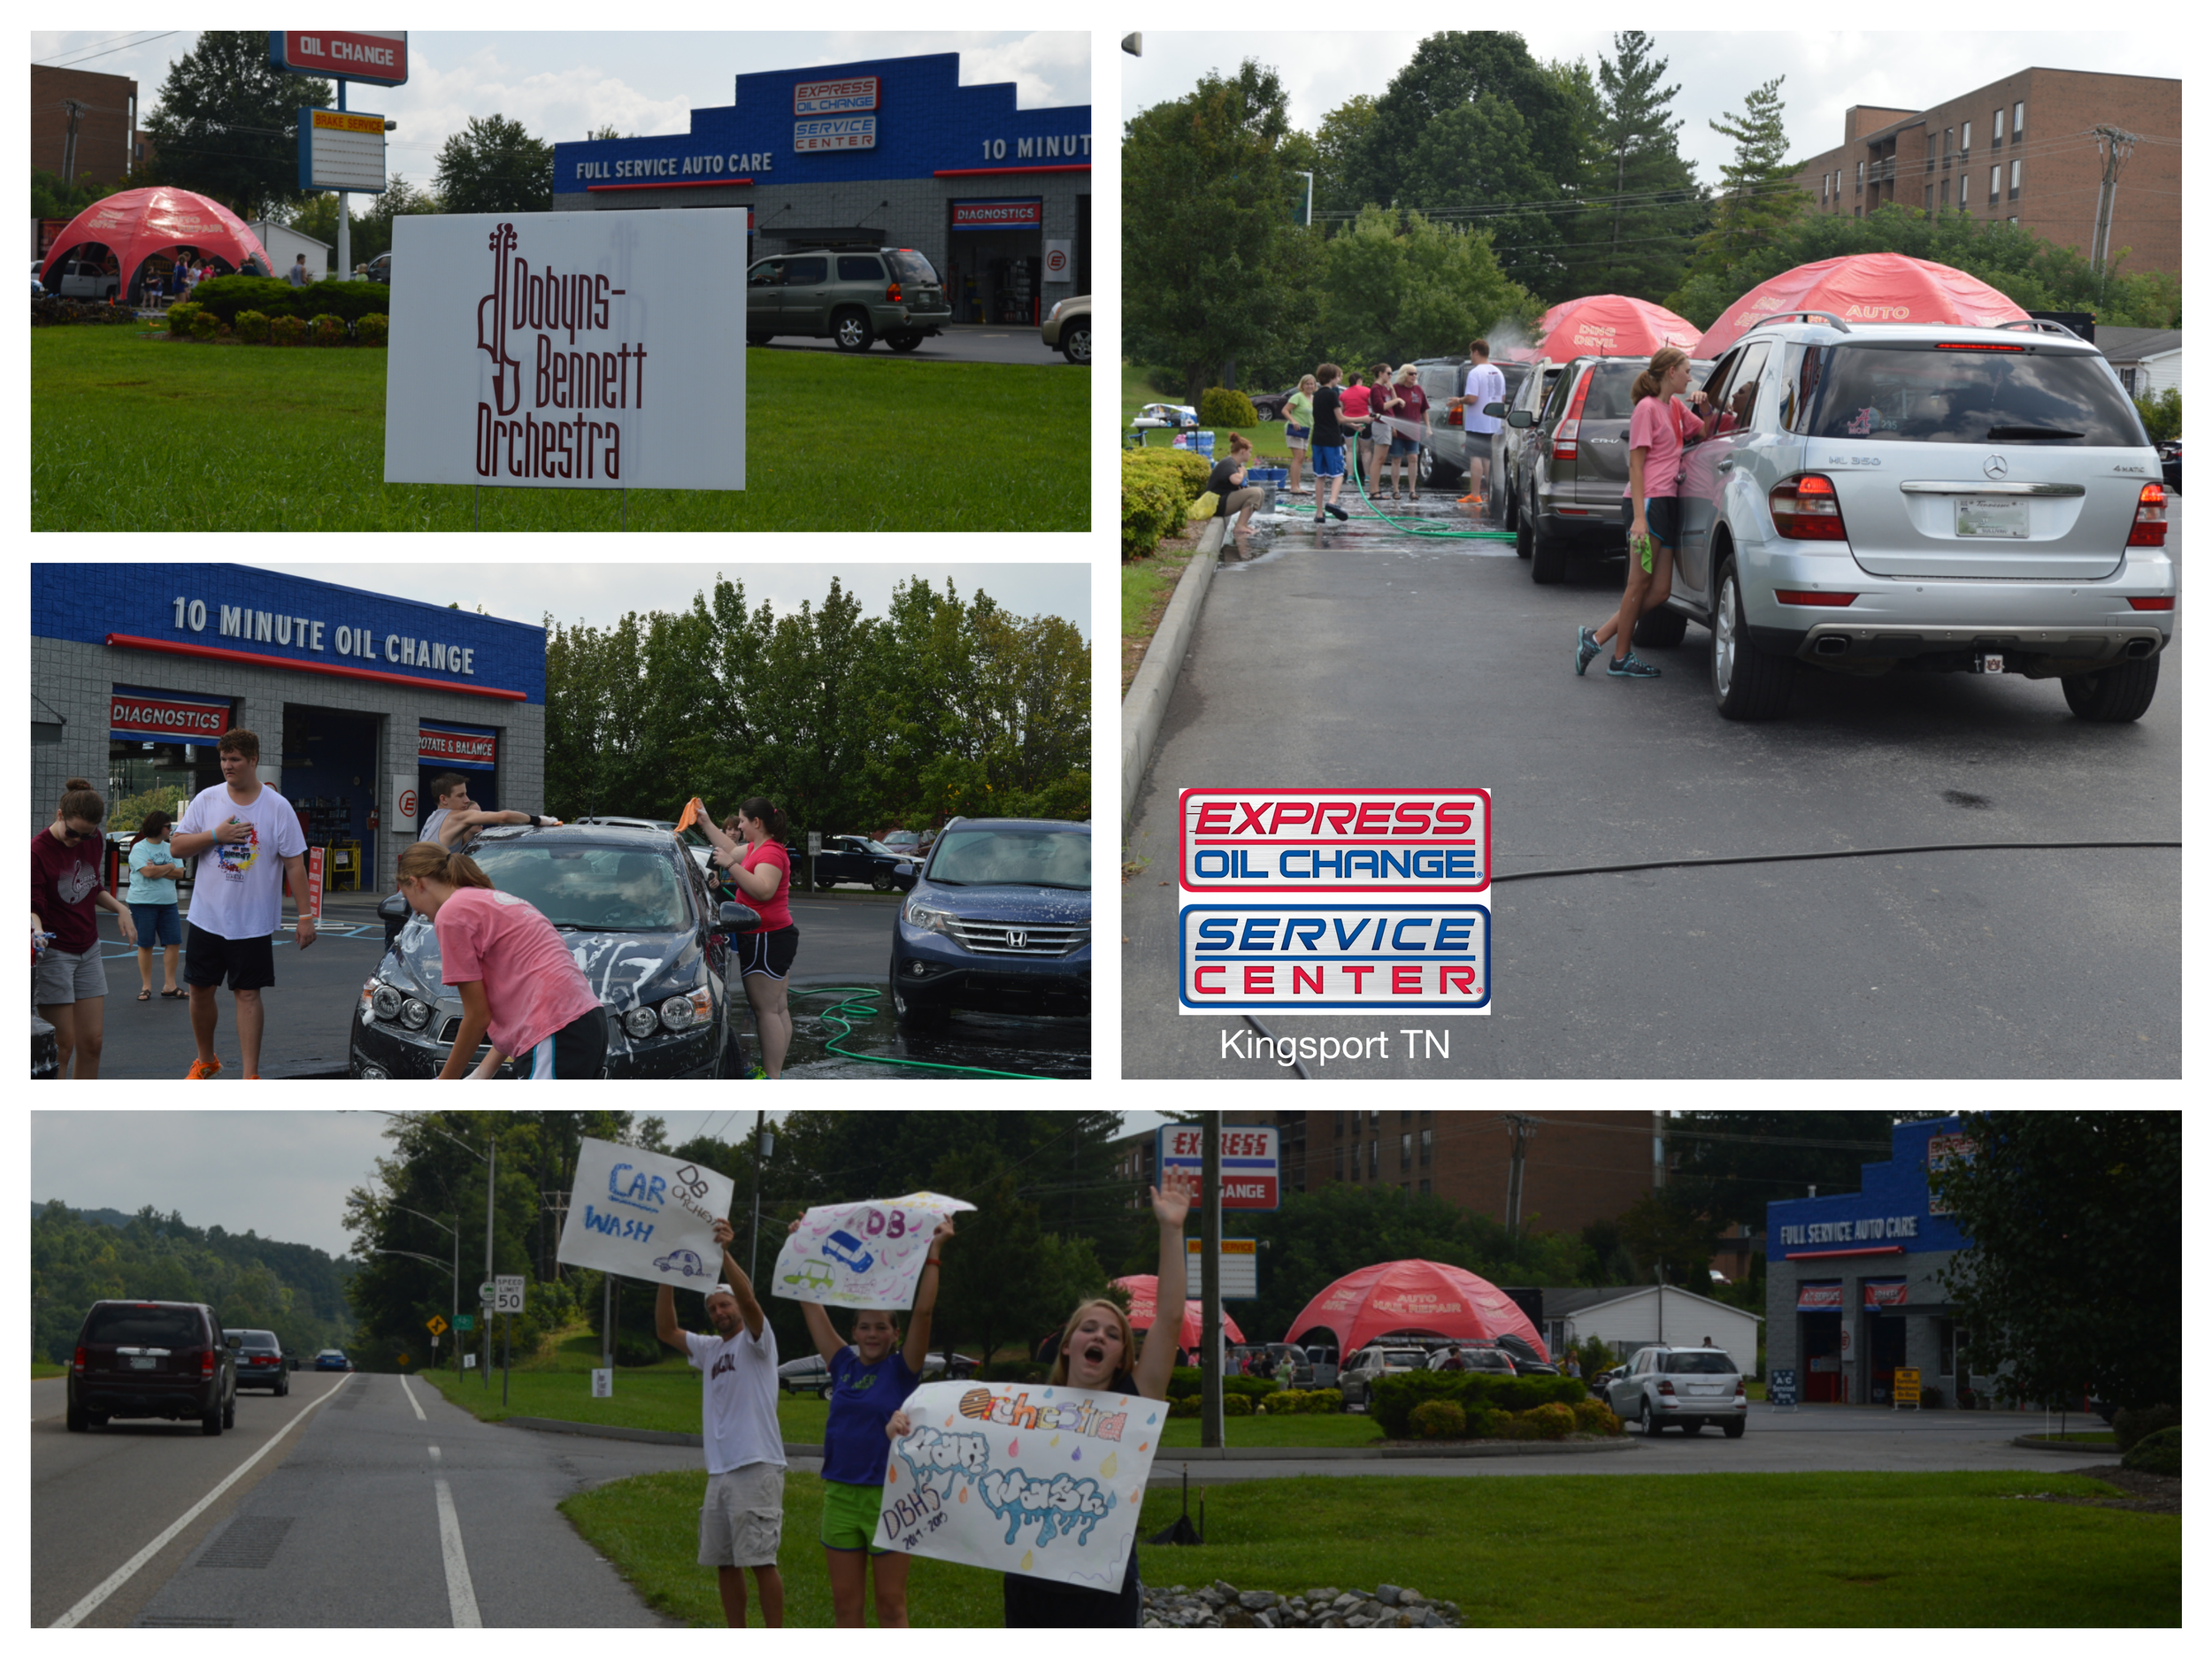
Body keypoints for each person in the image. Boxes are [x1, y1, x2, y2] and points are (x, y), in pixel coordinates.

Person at [885, 1167, 1199, 1628]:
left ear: (1121, 1358)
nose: (1100, 1336)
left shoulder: (1136, 1400)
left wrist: (1172, 1230)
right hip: (1029, 1587)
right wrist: (906, 1429)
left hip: (1103, 1593)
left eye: (1113, 1335)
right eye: (1088, 1328)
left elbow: (1171, 1318)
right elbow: (957, 1449)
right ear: (1067, 1345)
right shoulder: (1021, 1410)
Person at [789, 1212, 956, 1627]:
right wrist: (802, 1246)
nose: (872, 1334)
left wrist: (933, 1253)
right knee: (846, 1608)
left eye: (881, 1327)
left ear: (893, 1334)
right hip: (840, 1497)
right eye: (864, 1327)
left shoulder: (903, 1369)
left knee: (890, 1606)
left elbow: (923, 1314)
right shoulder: (842, 1363)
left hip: (890, 1498)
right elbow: (810, 1304)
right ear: (855, 1331)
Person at [656, 1218, 785, 1628]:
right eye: (712, 1308)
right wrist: (665, 1276)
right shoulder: (710, 1349)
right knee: (725, 1564)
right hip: (720, 1471)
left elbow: (751, 1303)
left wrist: (725, 1253)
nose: (719, 1312)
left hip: (756, 1463)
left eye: (724, 1305)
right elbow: (666, 1329)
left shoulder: (757, 1341)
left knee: (761, 1560)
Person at [394, 841, 610, 1079]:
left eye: (407, 897)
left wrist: (446, 1083)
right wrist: (481, 1074)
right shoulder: (492, 899)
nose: (414, 911)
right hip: (584, 1022)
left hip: (554, 1031)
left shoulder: (451, 914)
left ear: (416, 882)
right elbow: (519, 1003)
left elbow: (478, 1017)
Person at [170, 730, 314, 1079]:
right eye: (223, 759)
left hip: (252, 921)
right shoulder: (207, 799)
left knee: (248, 995)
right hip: (207, 917)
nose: (227, 766)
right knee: (200, 990)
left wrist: (306, 915)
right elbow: (177, 846)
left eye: (235, 759)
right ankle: (206, 1061)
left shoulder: (277, 807)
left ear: (253, 760)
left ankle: (251, 1076)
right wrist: (215, 836)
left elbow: (295, 863)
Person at [1577, 345, 1712, 681]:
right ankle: (1620, 657)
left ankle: (1595, 638)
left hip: (1667, 502)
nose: (1690, 375)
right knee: (1638, 582)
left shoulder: (1676, 406)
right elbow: (1635, 466)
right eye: (1686, 370)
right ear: (1670, 372)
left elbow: (1705, 431)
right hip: (1647, 502)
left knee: (1661, 591)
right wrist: (1638, 518)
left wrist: (1705, 404)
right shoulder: (1646, 409)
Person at [32, 783, 139, 1078]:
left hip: (88, 948)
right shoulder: (37, 851)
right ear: (59, 815)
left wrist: (121, 908)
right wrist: (37, 930)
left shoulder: (91, 840)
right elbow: (32, 904)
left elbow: (93, 886)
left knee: (92, 1043)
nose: (77, 840)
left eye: (86, 834)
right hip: (55, 953)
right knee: (62, 1045)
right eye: (72, 833)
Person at [687, 796, 797, 1078]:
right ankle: (775, 1074)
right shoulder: (757, 848)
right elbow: (730, 850)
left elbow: (763, 890)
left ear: (756, 823)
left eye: (744, 821)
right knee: (777, 1008)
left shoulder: (770, 853)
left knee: (767, 1011)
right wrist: (706, 822)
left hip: (765, 937)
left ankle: (770, 1078)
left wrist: (730, 866)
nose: (740, 825)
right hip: (770, 935)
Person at [384, 773, 558, 946]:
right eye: (460, 795)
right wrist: (541, 820)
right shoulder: (455, 817)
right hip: (417, 908)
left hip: (405, 903)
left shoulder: (432, 818)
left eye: (466, 794)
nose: (466, 800)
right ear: (444, 799)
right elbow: (503, 817)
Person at [127, 809, 187, 1000]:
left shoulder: (171, 847)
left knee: (174, 943)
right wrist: (169, 866)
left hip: (168, 903)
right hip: (143, 902)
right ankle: (146, 986)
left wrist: (159, 868)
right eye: (168, 826)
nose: (171, 829)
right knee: (146, 944)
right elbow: (147, 873)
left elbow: (180, 873)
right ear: (158, 827)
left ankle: (170, 985)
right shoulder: (139, 848)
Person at [1460, 340, 1508, 511]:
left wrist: (1458, 400)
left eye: (1471, 352)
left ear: (1476, 352)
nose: (1470, 356)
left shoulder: (1475, 373)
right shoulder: (1498, 372)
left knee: (1475, 457)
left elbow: (1472, 398)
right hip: (1494, 423)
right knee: (1488, 459)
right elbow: (1502, 400)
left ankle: (1475, 495)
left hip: (1477, 423)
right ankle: (1491, 494)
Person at [1307, 364, 1354, 526]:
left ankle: (1319, 513)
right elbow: (1340, 419)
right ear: (1332, 377)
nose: (1340, 379)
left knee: (1320, 476)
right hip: (1331, 440)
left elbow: (1328, 417)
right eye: (1339, 376)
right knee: (1338, 474)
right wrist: (1364, 418)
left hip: (1317, 439)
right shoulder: (1333, 395)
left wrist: (1354, 426)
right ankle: (1332, 502)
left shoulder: (1317, 395)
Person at [1384, 364, 1431, 503]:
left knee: (1413, 459)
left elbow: (1424, 410)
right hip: (1397, 430)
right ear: (1404, 374)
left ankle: (1412, 490)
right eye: (1411, 373)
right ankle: (1396, 490)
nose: (1414, 376)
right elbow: (1389, 409)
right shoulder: (1396, 389)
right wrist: (1392, 426)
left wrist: (1428, 427)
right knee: (1396, 459)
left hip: (1413, 429)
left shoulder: (1418, 390)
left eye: (1416, 374)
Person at [1204, 434, 1264, 535]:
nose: (1250, 455)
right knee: (1256, 492)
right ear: (1243, 451)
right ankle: (1239, 526)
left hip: (1222, 502)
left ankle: (1243, 525)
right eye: (1249, 452)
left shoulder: (1235, 464)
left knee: (1260, 492)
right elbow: (1235, 480)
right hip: (1216, 504)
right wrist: (1242, 473)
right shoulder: (1228, 462)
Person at [1283, 374, 1317, 495]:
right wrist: (1293, 421)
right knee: (1298, 458)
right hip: (1295, 430)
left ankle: (1297, 485)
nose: (1309, 386)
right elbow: (1285, 410)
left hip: (1306, 431)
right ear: (1302, 385)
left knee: (1301, 458)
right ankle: (1294, 486)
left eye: (1312, 384)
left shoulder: (1313, 398)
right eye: (1307, 384)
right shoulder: (1298, 396)